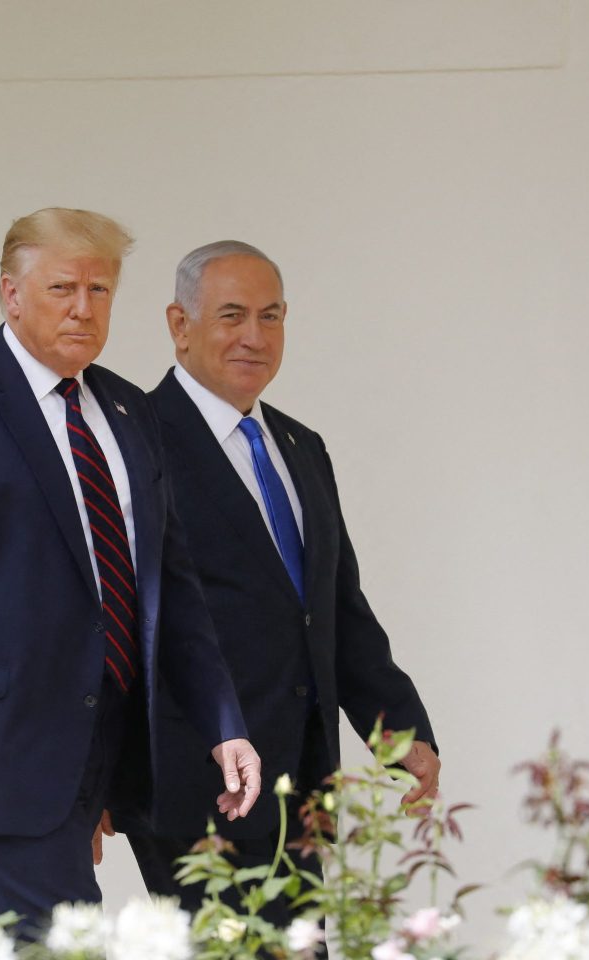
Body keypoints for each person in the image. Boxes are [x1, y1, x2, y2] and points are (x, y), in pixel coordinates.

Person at [0, 210, 261, 936]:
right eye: (62, 288)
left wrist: (223, 722)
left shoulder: (128, 410)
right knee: (54, 935)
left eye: (100, 290)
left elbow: (171, 585)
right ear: (11, 295)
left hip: (104, 747)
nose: (83, 308)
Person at [120, 240, 439, 923]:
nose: (254, 337)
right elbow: (111, 622)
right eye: (232, 315)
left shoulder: (301, 446)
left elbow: (333, 607)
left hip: (299, 780)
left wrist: (397, 726)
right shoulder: (134, 443)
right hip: (193, 784)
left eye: (271, 316)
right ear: (179, 325)